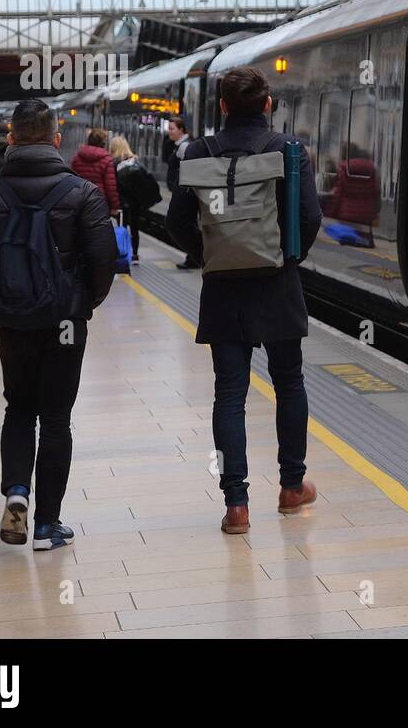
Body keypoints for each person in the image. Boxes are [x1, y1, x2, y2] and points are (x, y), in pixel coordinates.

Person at [0, 99, 117, 551]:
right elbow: (105, 260)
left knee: (19, 408)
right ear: (57, 140)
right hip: (64, 320)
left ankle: (16, 492)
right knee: (57, 418)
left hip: (12, 321)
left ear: (11, 138)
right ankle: (47, 526)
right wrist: (83, 304)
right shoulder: (83, 193)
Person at [166, 67, 322, 534]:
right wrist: (284, 256)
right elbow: (310, 218)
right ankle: (292, 487)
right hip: (277, 285)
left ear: (223, 107)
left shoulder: (199, 152)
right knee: (288, 382)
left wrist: (210, 250)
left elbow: (176, 223)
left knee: (229, 393)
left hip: (223, 288)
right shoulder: (288, 151)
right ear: (268, 104)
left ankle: (237, 505)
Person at [109, 134, 160, 263]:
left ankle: (122, 252)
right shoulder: (134, 161)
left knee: (122, 227)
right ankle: (135, 254)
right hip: (136, 202)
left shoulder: (114, 163)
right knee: (135, 228)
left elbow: (113, 184)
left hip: (122, 201)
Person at [164, 117, 202, 269]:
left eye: (172, 129)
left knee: (186, 223)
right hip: (181, 189)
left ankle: (194, 258)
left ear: (181, 130)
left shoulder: (185, 147)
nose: (169, 132)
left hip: (185, 191)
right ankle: (192, 257)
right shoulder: (178, 145)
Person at [70, 128, 121, 217]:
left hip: (79, 199)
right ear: (103, 143)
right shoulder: (107, 160)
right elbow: (110, 186)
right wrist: (114, 206)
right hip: (99, 201)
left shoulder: (77, 158)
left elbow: (71, 180)